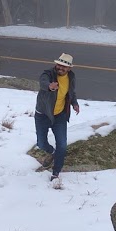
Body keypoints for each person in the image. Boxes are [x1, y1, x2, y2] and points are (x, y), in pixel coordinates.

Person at [35, 52, 80, 184]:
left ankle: (56, 173)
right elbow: (42, 81)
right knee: (41, 144)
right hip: (43, 114)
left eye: (63, 67)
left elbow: (71, 92)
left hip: (60, 115)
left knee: (62, 145)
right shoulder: (48, 74)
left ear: (69, 68)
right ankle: (52, 152)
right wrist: (49, 86)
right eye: (59, 66)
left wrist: (74, 103)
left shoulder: (71, 77)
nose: (60, 69)